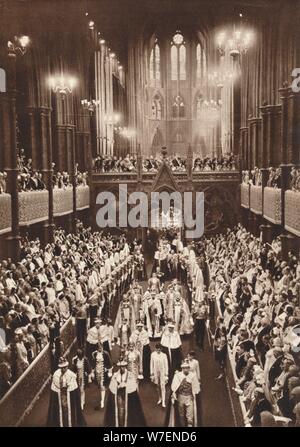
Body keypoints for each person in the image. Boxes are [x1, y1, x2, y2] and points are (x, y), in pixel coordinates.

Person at [104, 359, 147, 427]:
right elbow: (112, 387)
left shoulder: (130, 375)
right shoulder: (115, 376)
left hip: (127, 398)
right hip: (118, 397)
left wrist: (126, 385)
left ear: (126, 366)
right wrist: (117, 386)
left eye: (123, 366)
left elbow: (133, 386)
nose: (122, 368)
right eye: (121, 366)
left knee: (128, 413)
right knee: (119, 413)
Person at [47, 357, 86, 427]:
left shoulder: (71, 375)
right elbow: (57, 386)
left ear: (67, 366)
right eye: (61, 367)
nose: (63, 369)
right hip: (60, 400)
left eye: (65, 367)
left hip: (69, 401)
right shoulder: (56, 375)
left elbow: (74, 392)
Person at [165, 360, 201, 427]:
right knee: (181, 415)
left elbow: (196, 388)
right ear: (182, 368)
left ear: (189, 368)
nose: (185, 369)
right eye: (184, 368)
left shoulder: (193, 376)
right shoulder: (178, 375)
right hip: (180, 397)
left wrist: (193, 394)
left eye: (187, 367)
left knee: (190, 417)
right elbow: (174, 387)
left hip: (189, 397)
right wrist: (174, 394)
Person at [92, 342, 112, 410]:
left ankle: (102, 401)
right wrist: (92, 372)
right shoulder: (94, 354)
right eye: (98, 347)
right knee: (100, 386)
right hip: (97, 372)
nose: (100, 348)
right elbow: (93, 363)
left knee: (102, 385)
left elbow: (109, 363)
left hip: (104, 372)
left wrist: (109, 371)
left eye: (101, 347)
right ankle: (102, 396)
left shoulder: (106, 353)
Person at [150, 343, 169, 407]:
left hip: (162, 372)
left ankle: (163, 401)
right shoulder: (153, 355)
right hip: (155, 372)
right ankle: (160, 398)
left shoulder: (164, 355)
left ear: (161, 349)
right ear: (155, 349)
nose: (158, 350)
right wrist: (152, 374)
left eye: (159, 349)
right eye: (157, 349)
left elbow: (166, 365)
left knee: (163, 386)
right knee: (157, 386)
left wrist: (166, 375)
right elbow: (151, 364)